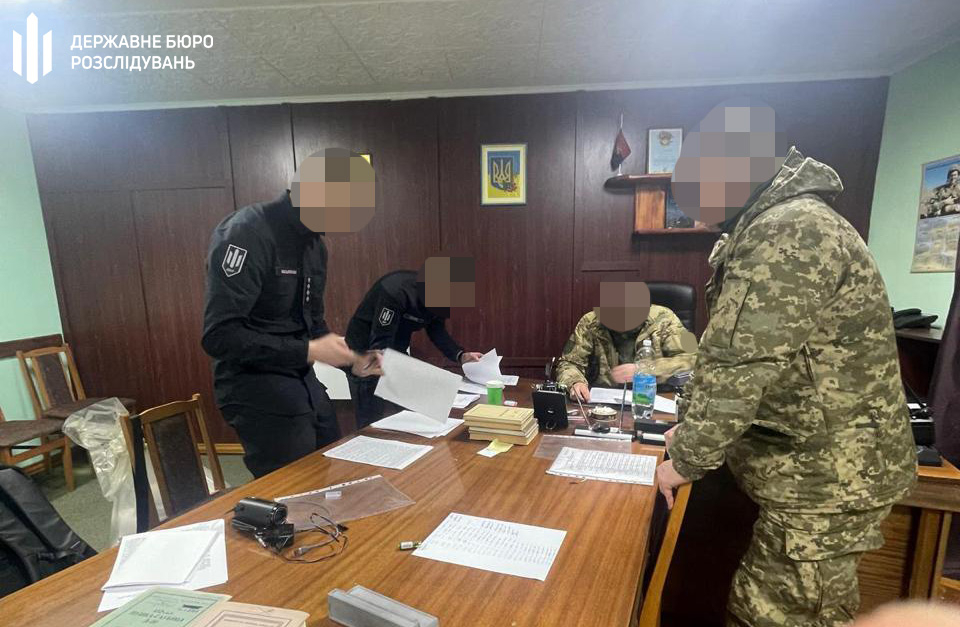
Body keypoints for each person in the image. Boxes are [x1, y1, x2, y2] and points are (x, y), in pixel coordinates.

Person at [657, 101, 917, 627]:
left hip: (825, 479)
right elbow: (724, 352)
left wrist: (685, 458)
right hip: (806, 469)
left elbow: (740, 364)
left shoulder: (788, 228)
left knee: (777, 617)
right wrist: (690, 428)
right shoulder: (772, 222)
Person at [202, 149, 379, 478]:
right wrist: (309, 350)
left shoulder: (315, 246)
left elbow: (313, 325)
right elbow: (220, 336)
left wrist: (354, 360)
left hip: (303, 382)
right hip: (256, 388)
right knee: (295, 489)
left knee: (334, 471)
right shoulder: (247, 232)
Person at [344, 264, 483, 426]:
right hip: (365, 350)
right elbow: (380, 340)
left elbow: (437, 330)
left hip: (395, 349)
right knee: (371, 417)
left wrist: (460, 355)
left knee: (410, 413)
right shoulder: (396, 291)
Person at [555, 281, 697, 402]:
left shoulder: (666, 319)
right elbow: (569, 363)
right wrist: (574, 382)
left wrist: (644, 369)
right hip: (602, 402)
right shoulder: (590, 322)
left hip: (654, 399)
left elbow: (694, 358)